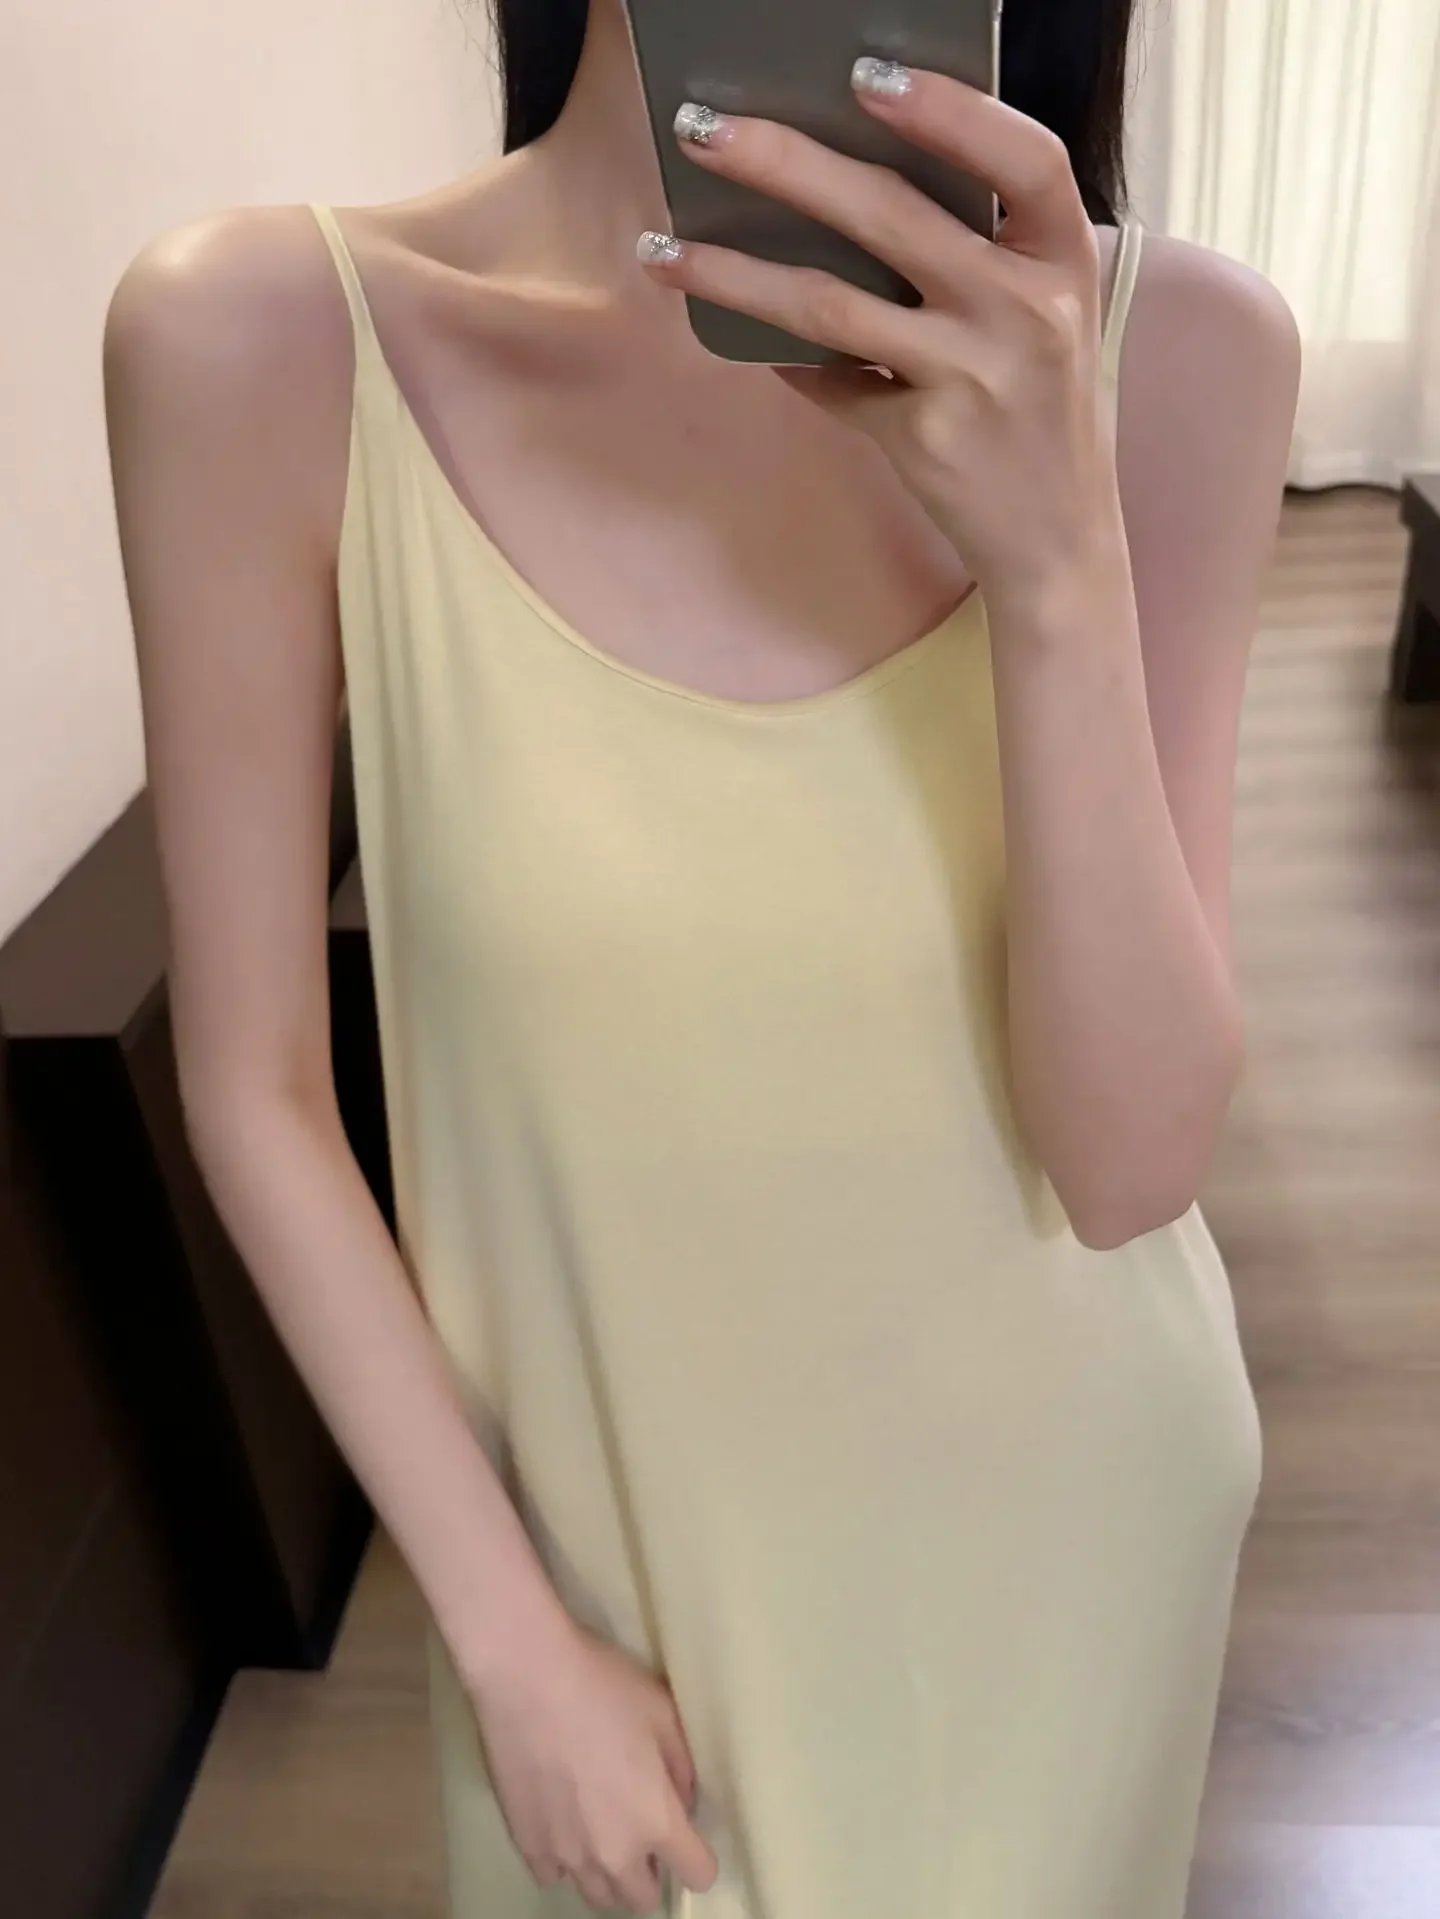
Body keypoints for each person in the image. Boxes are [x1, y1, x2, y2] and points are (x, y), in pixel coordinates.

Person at [103, 0, 1300, 1913]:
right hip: (612, 1617)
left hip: (1071, 1566)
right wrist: (506, 1640)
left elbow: (1132, 1162)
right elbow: (257, 1093)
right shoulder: (265, 342)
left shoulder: (1184, 354)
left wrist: (1059, 564)